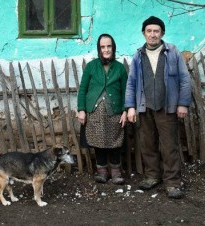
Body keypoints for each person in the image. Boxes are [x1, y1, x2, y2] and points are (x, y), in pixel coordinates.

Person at [125, 16, 191, 199]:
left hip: (167, 106)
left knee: (169, 146)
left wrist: (183, 103)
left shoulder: (172, 52)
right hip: (145, 107)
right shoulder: (138, 55)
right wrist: (131, 107)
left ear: (162, 33)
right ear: (144, 33)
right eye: (149, 31)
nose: (152, 35)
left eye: (156, 31)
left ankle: (172, 183)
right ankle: (152, 176)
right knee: (147, 144)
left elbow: (185, 79)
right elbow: (131, 82)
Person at [77, 33, 128, 184]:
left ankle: (116, 172)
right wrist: (81, 109)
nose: (106, 49)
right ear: (99, 48)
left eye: (109, 46)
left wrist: (125, 110)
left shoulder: (120, 68)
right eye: (103, 46)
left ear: (113, 48)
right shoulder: (91, 67)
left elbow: (126, 91)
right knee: (98, 142)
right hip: (95, 111)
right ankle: (102, 171)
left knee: (115, 142)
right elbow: (83, 89)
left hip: (114, 111)